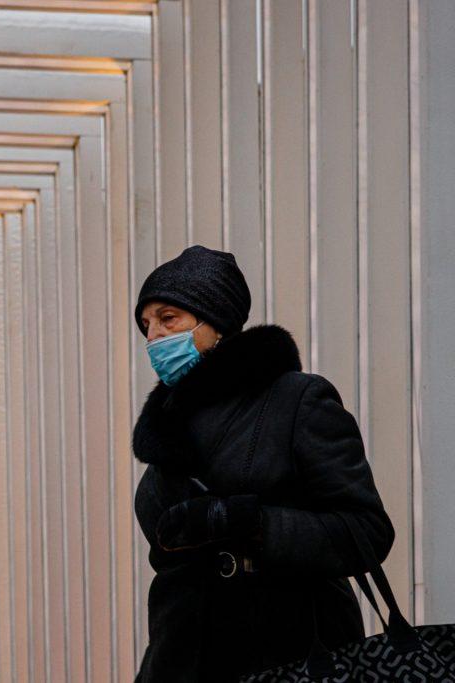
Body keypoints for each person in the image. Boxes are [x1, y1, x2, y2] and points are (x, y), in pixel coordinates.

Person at [132, 246, 394, 682]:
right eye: (146, 325)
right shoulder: (166, 431)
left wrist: (249, 521)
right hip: (182, 661)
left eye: (168, 318)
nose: (153, 336)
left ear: (215, 322)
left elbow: (367, 531)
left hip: (293, 659)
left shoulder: (295, 401)